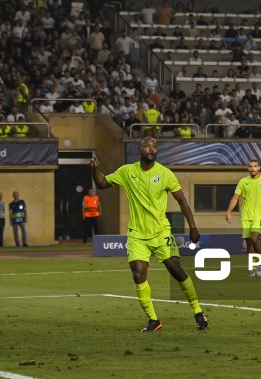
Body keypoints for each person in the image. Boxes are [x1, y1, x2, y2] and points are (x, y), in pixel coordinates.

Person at [89, 137, 208, 332]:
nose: (151, 149)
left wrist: (193, 226)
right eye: (147, 145)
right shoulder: (127, 171)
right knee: (138, 273)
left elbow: (182, 201)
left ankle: (197, 311)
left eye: (154, 146)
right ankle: (154, 320)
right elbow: (102, 183)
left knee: (177, 271)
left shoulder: (165, 174)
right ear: (139, 149)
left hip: (161, 233)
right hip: (137, 235)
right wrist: (94, 169)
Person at [225, 159, 261, 277]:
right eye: (251, 166)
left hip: (259, 216)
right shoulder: (243, 182)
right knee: (249, 243)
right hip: (246, 217)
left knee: (254, 238)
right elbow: (236, 197)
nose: (253, 168)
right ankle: (253, 268)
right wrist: (229, 211)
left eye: (255, 166)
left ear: (259, 168)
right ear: (248, 168)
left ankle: (260, 264)